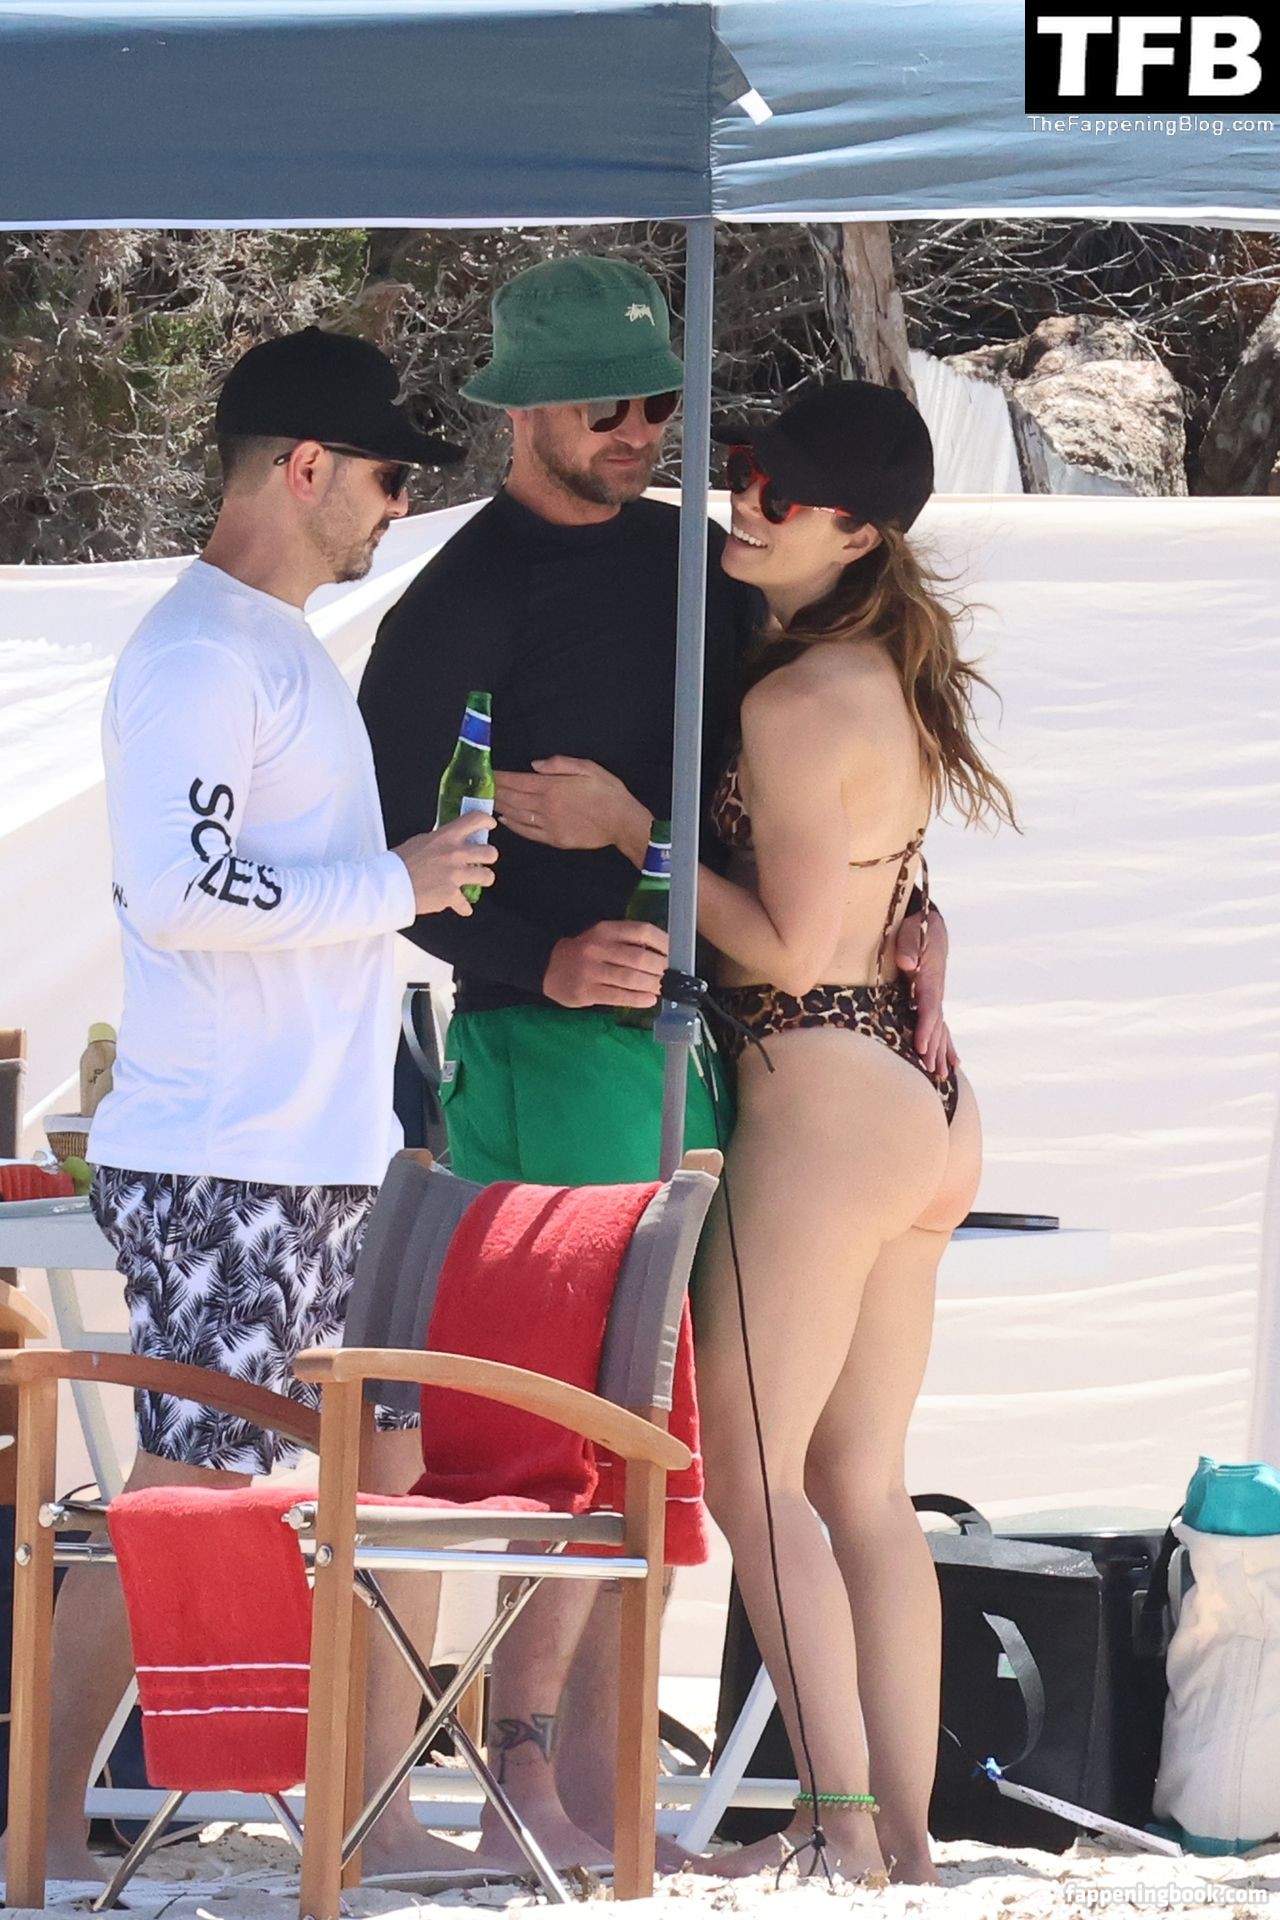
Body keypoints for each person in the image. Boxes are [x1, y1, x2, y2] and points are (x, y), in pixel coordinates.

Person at [360, 263, 953, 1871]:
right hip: (551, 1047)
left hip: (712, 1057)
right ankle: (528, 1770)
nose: (644, 434)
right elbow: (377, 867)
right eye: (608, 408)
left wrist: (912, 918)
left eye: (662, 407)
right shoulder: (451, 605)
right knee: (569, 1427)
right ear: (524, 414)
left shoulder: (707, 567)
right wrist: (533, 960)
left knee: (664, 1445)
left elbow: (822, 804)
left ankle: (611, 1787)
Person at [2, 327, 498, 1890]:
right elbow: (178, 890)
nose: (399, 508)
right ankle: (38, 1825)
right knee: (196, 1491)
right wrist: (395, 884)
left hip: (321, 1151)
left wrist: (389, 894)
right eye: (391, 477)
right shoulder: (203, 657)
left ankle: (379, 1814)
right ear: (306, 466)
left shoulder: (268, 646)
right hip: (228, 1155)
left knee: (387, 1475)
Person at [516, 381, 1009, 1883]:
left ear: (857, 533)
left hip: (821, 1088)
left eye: (781, 495)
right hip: (919, 1100)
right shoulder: (880, 669)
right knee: (863, 1489)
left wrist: (632, 832)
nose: (746, 503)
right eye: (741, 470)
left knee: (752, 1479)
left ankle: (843, 1833)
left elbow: (784, 947)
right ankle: (902, 1839)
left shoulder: (795, 700)